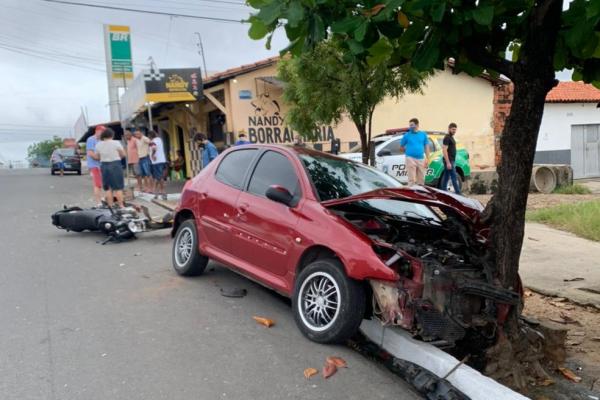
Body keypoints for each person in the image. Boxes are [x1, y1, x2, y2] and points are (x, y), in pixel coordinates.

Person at [95, 128, 126, 208]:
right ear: (112, 135)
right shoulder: (116, 143)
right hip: (115, 164)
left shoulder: (98, 144)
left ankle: (110, 205)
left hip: (104, 165)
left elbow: (97, 157)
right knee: (118, 187)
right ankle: (121, 205)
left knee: (108, 187)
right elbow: (123, 154)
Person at [400, 118, 430, 186]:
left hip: (421, 159)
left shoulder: (423, 134)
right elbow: (401, 148)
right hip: (410, 159)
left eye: (412, 125)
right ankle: (411, 194)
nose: (410, 126)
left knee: (421, 179)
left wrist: (427, 159)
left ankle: (420, 194)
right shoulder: (406, 135)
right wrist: (408, 151)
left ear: (417, 125)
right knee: (412, 179)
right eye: (410, 125)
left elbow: (427, 147)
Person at [441, 122, 461, 194]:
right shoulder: (447, 137)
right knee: (454, 177)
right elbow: (444, 150)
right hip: (449, 161)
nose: (454, 131)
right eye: (453, 129)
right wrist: (448, 162)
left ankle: (443, 192)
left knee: (446, 177)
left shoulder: (451, 137)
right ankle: (458, 193)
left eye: (455, 130)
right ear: (449, 129)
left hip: (451, 160)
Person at [86, 125, 104, 205]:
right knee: (97, 184)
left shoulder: (101, 140)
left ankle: (101, 199)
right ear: (97, 131)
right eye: (102, 132)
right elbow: (90, 153)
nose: (103, 134)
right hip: (94, 165)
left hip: (101, 165)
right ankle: (98, 202)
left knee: (101, 184)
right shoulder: (91, 139)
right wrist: (100, 158)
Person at [148, 130, 167, 200]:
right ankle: (156, 193)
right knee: (157, 177)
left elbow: (154, 148)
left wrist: (152, 155)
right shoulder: (159, 139)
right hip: (162, 161)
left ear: (150, 136)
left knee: (159, 177)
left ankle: (163, 192)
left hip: (156, 162)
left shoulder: (152, 141)